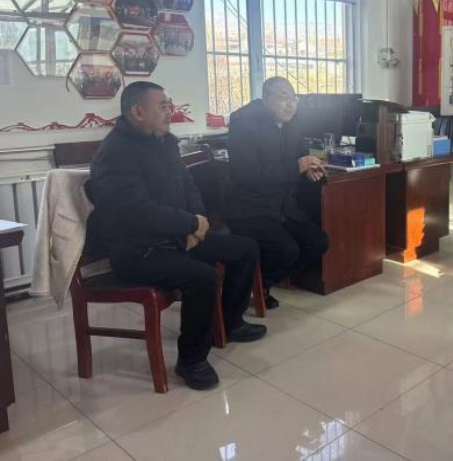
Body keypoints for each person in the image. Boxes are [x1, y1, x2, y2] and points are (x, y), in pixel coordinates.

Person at [86, 81, 266, 391]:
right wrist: (188, 224)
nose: (171, 112)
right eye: (163, 106)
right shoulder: (115, 153)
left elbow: (188, 186)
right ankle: (192, 361)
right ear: (137, 112)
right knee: (202, 277)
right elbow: (137, 211)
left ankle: (229, 322)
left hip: (175, 236)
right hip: (139, 250)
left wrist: (198, 224)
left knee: (245, 249)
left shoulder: (165, 142)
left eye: (170, 105)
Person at [225, 77, 329, 308]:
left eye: (294, 98)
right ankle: (255, 285)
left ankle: (263, 283)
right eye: (283, 98)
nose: (290, 104)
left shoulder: (292, 123)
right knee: (287, 250)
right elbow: (248, 175)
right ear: (265, 99)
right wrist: (296, 167)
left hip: (282, 205)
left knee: (318, 242)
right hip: (250, 207)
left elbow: (300, 152)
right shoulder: (244, 124)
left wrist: (308, 168)